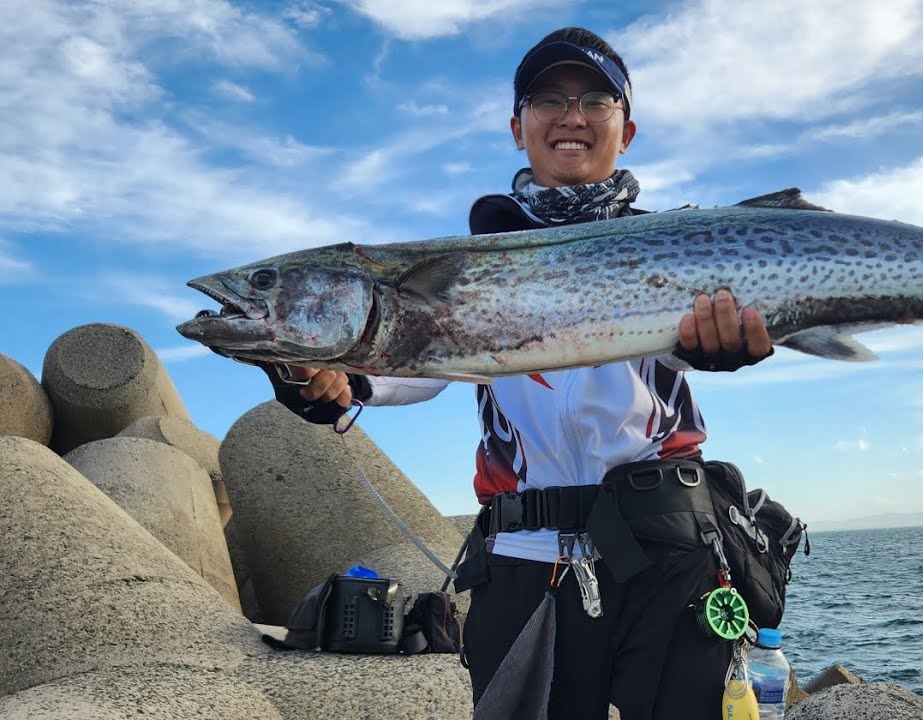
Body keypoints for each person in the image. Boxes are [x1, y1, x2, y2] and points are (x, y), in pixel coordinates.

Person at [277, 27, 773, 719]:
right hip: (522, 560)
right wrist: (333, 383)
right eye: (548, 99)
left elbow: (684, 347)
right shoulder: (473, 264)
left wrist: (727, 343)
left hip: (668, 552)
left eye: (596, 99)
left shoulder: (679, 246)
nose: (571, 116)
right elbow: (415, 363)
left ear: (625, 131)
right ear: (518, 127)